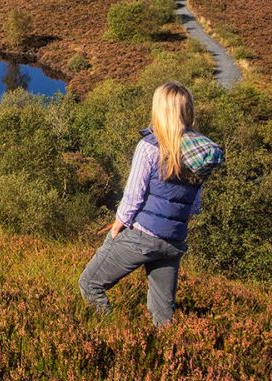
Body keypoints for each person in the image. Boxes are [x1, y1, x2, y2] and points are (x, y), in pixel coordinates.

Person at [79, 81, 224, 327]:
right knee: (162, 312)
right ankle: (169, 351)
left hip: (142, 235)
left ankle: (110, 335)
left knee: (90, 284)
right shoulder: (198, 153)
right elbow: (194, 203)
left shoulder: (149, 147)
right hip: (174, 240)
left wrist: (118, 225)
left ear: (160, 110)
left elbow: (134, 196)